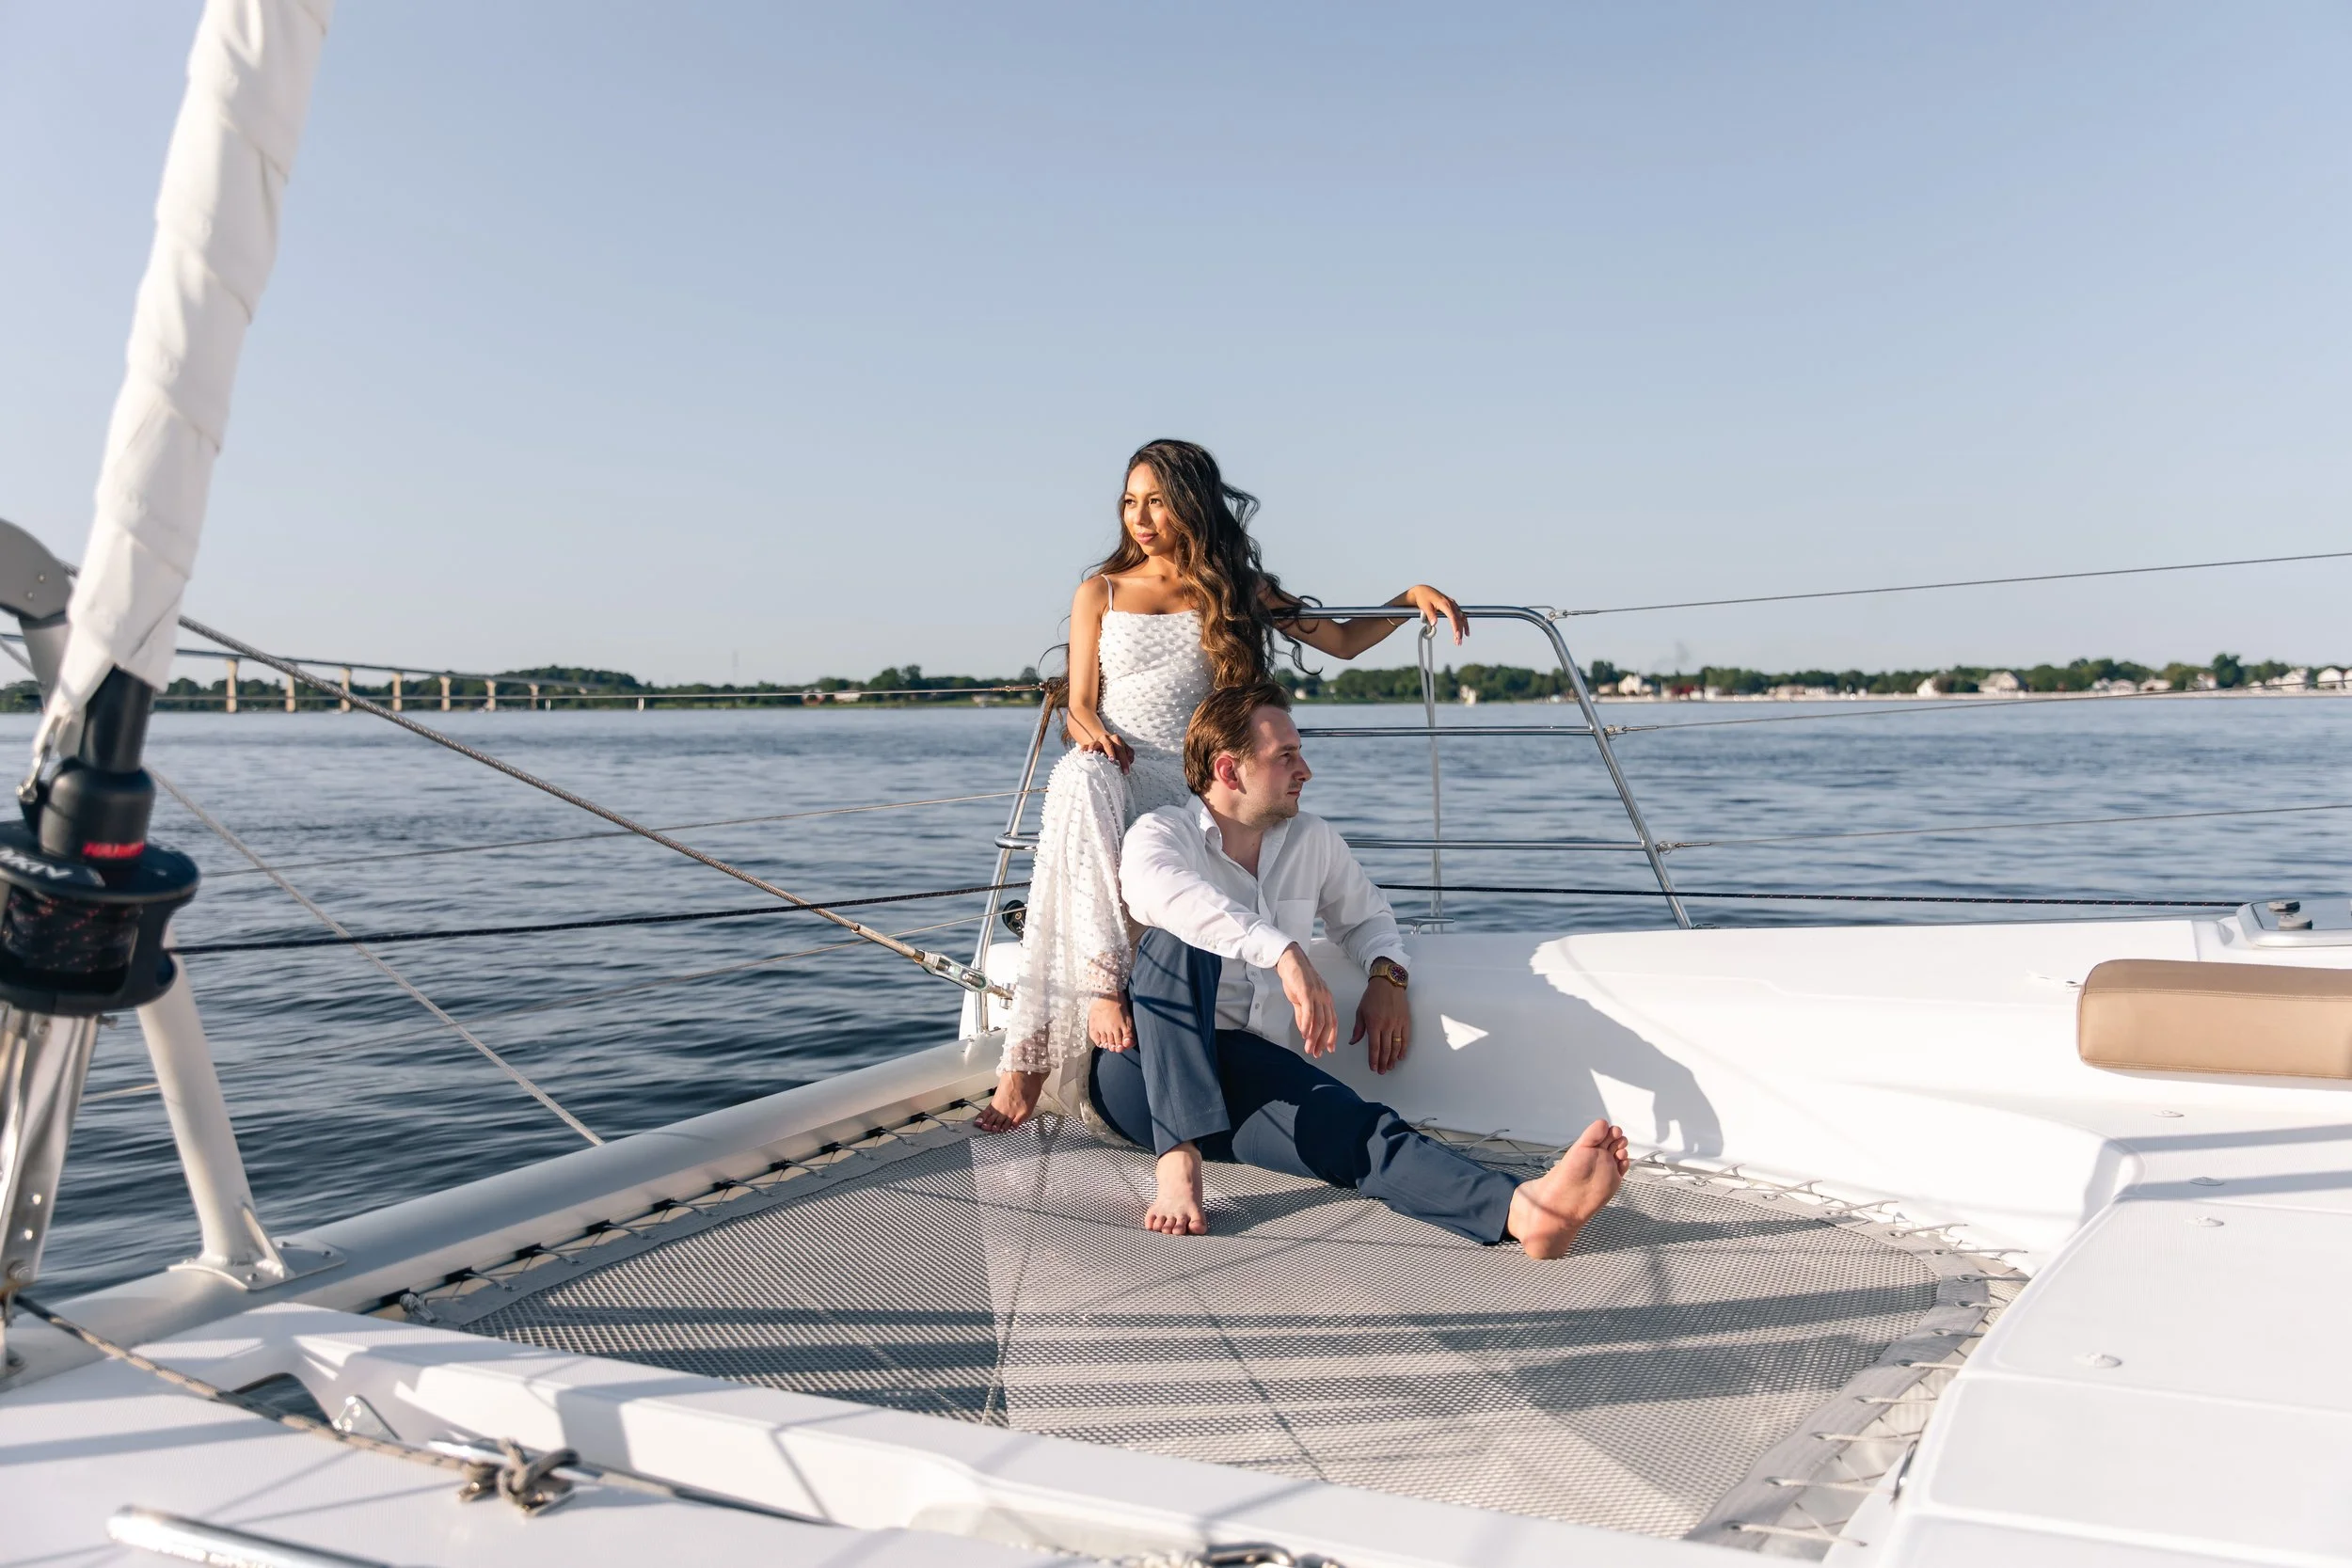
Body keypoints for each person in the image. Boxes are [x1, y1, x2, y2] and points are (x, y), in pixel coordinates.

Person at [977, 439, 1469, 1132]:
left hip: (1190, 788)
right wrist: (1094, 735)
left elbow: (1344, 641)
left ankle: (1083, 1055)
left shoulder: (1237, 587)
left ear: (1191, 504)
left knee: (1094, 800)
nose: (1139, 517)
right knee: (1080, 777)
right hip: (1113, 771)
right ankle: (1051, 1035)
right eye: (1128, 501)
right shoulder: (1101, 591)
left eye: (1155, 501)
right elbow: (1080, 702)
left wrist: (1406, 597)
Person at [1093, 680, 1629, 1258]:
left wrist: (1386, 977)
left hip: (1246, 1072)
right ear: (1229, 770)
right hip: (1143, 1073)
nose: (1307, 770)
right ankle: (1177, 1162)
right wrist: (1281, 951)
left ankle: (1526, 1213)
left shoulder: (1311, 840)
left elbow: (1367, 919)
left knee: (1356, 1126)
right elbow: (1160, 894)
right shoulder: (1162, 833)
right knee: (1180, 939)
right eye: (1287, 757)